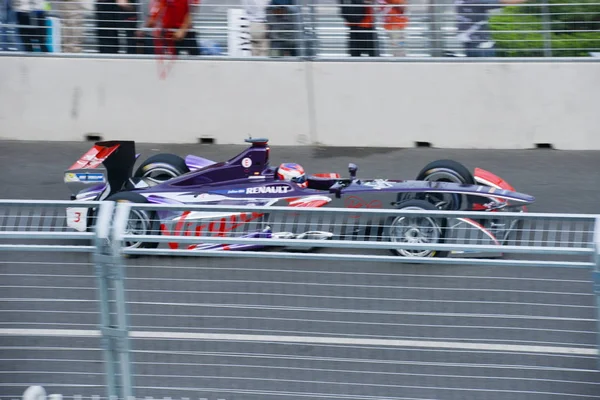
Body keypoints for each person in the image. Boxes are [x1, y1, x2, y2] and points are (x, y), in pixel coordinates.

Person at [455, 0, 527, 57]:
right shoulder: (475, 2)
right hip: (481, 46)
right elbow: (504, 1)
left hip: (469, 44)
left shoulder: (459, 2)